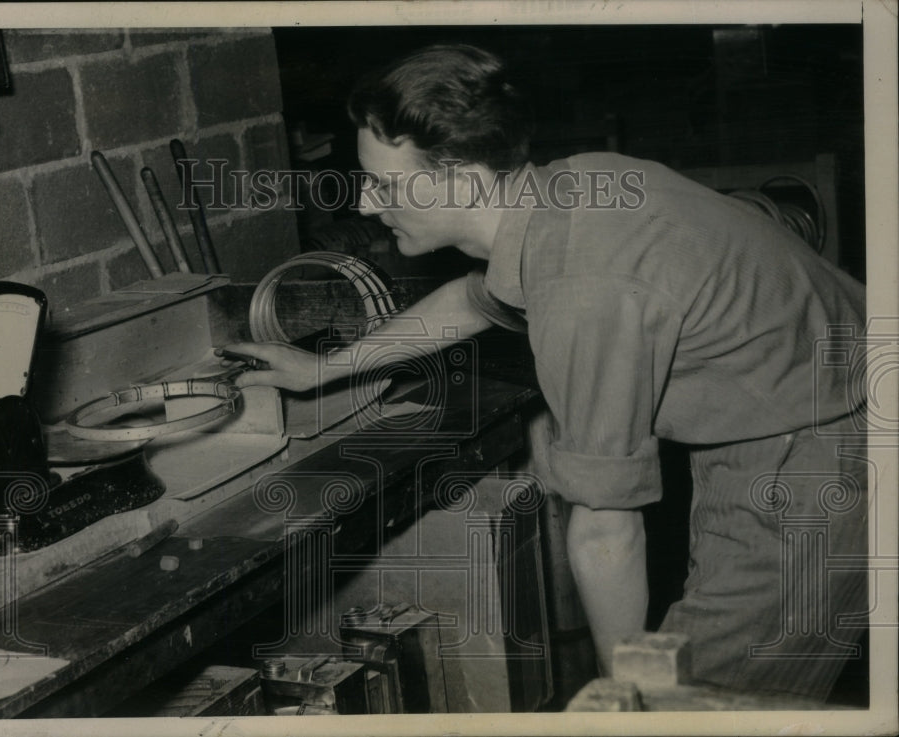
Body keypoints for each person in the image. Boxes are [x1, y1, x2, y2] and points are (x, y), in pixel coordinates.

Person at [221, 44, 868, 701]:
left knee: (697, 696)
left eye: (384, 184)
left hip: (821, 446)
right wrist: (323, 369)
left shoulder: (583, 287)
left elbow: (604, 529)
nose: (363, 203)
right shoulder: (565, 191)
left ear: (464, 179)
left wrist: (625, 697)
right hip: (789, 413)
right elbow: (472, 300)